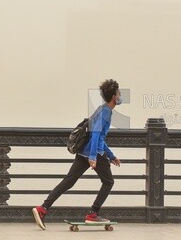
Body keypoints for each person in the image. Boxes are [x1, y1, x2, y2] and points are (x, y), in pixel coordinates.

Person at [32, 79, 122, 230]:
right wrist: (93, 157)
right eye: (119, 93)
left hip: (83, 152)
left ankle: (43, 208)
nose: (120, 96)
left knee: (69, 181)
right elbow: (95, 135)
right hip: (94, 153)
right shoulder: (106, 111)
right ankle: (93, 214)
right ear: (114, 96)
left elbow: (98, 136)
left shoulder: (101, 109)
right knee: (108, 182)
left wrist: (111, 156)